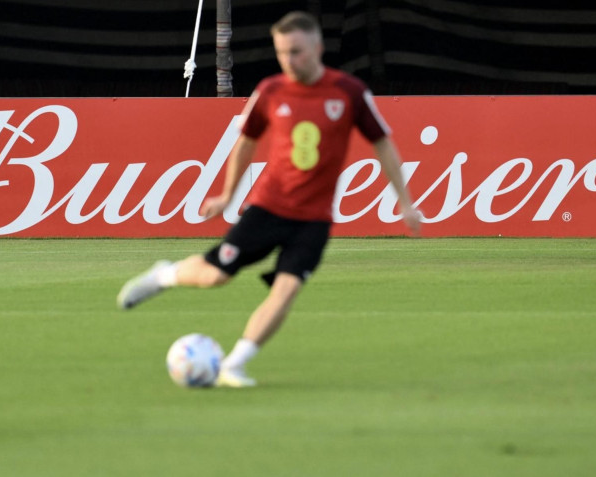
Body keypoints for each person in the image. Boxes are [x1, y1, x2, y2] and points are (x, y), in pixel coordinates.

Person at [117, 11, 421, 387]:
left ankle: (233, 364)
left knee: (287, 288)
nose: (289, 61)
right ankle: (164, 274)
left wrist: (405, 201)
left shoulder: (348, 92)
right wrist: (228, 194)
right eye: (282, 53)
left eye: (297, 52)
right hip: (268, 209)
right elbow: (246, 141)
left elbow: (382, 143)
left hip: (314, 219)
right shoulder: (271, 91)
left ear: (317, 48)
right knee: (216, 276)